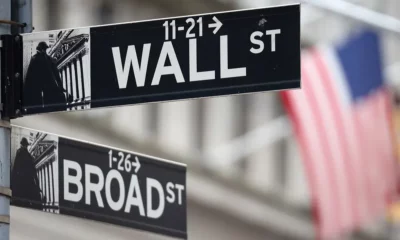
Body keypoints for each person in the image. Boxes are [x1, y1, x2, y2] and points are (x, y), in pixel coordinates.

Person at [24, 41, 71, 112]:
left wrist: (27, 90)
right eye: (43, 49)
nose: (43, 50)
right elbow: (57, 75)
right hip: (48, 88)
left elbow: (29, 76)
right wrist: (61, 87)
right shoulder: (49, 59)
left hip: (41, 88)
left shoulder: (35, 58)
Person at [11, 137, 43, 210]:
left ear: (22, 145)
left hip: (20, 183)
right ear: (26, 145)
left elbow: (15, 168)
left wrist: (12, 182)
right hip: (28, 183)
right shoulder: (29, 156)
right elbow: (34, 171)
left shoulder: (19, 153)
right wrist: (37, 185)